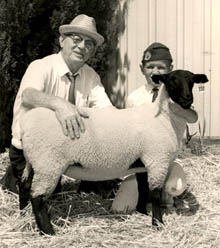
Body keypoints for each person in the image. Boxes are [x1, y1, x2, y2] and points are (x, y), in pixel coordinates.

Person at [0, 14, 112, 194]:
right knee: (40, 199)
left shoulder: (91, 76)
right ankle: (13, 177)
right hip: (30, 151)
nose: (82, 46)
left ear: (92, 51)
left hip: (67, 150)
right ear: (62, 40)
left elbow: (108, 112)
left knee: (102, 184)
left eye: (89, 43)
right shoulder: (41, 66)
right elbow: (28, 96)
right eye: (76, 39)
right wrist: (60, 105)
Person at [126, 42, 198, 208]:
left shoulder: (178, 93)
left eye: (161, 67)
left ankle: (167, 195)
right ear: (141, 68)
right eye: (150, 67)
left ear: (170, 68)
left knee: (174, 189)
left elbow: (193, 118)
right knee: (121, 208)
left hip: (166, 161)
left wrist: (176, 106)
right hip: (141, 164)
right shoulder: (134, 97)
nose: (155, 72)